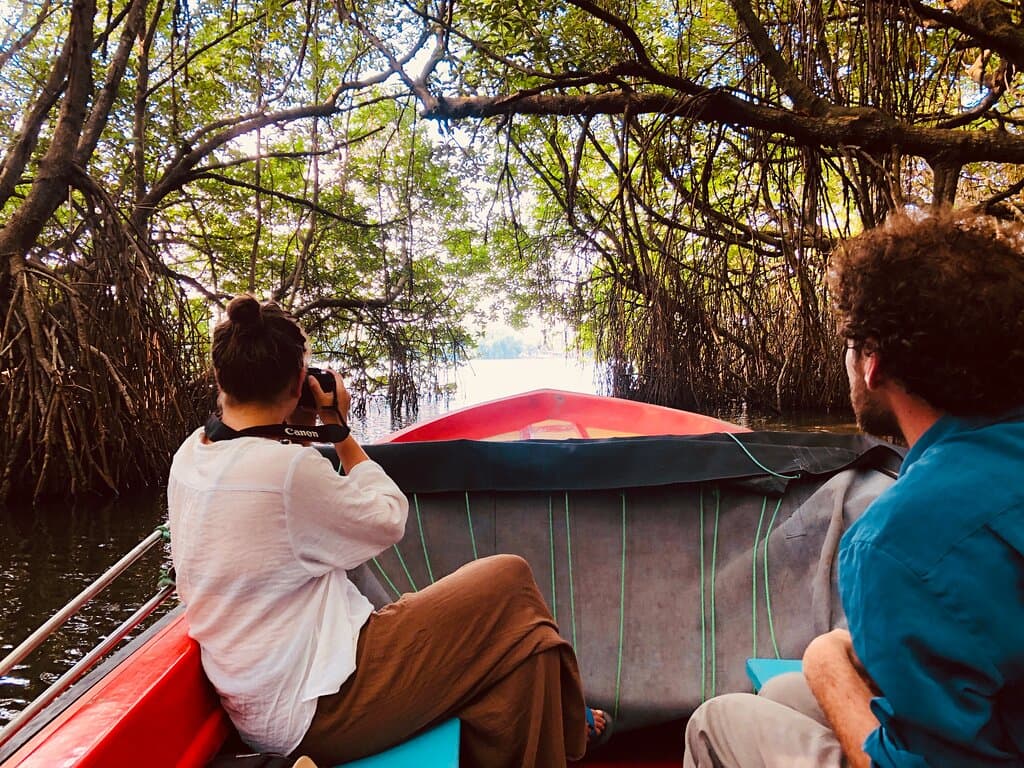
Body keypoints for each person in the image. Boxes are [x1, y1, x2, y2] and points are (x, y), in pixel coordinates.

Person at [167, 295, 608, 768]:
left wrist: (290, 426)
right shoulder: (287, 471)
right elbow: (389, 517)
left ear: (221, 379)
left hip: (265, 698)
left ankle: (560, 735)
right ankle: (569, 724)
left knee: (530, 655)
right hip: (319, 705)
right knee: (510, 579)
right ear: (300, 383)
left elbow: (268, 491)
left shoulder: (192, 455)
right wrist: (338, 430)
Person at [682, 209, 1024, 767]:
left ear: (873, 364)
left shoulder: (896, 541)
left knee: (718, 720)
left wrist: (826, 662)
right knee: (782, 695)